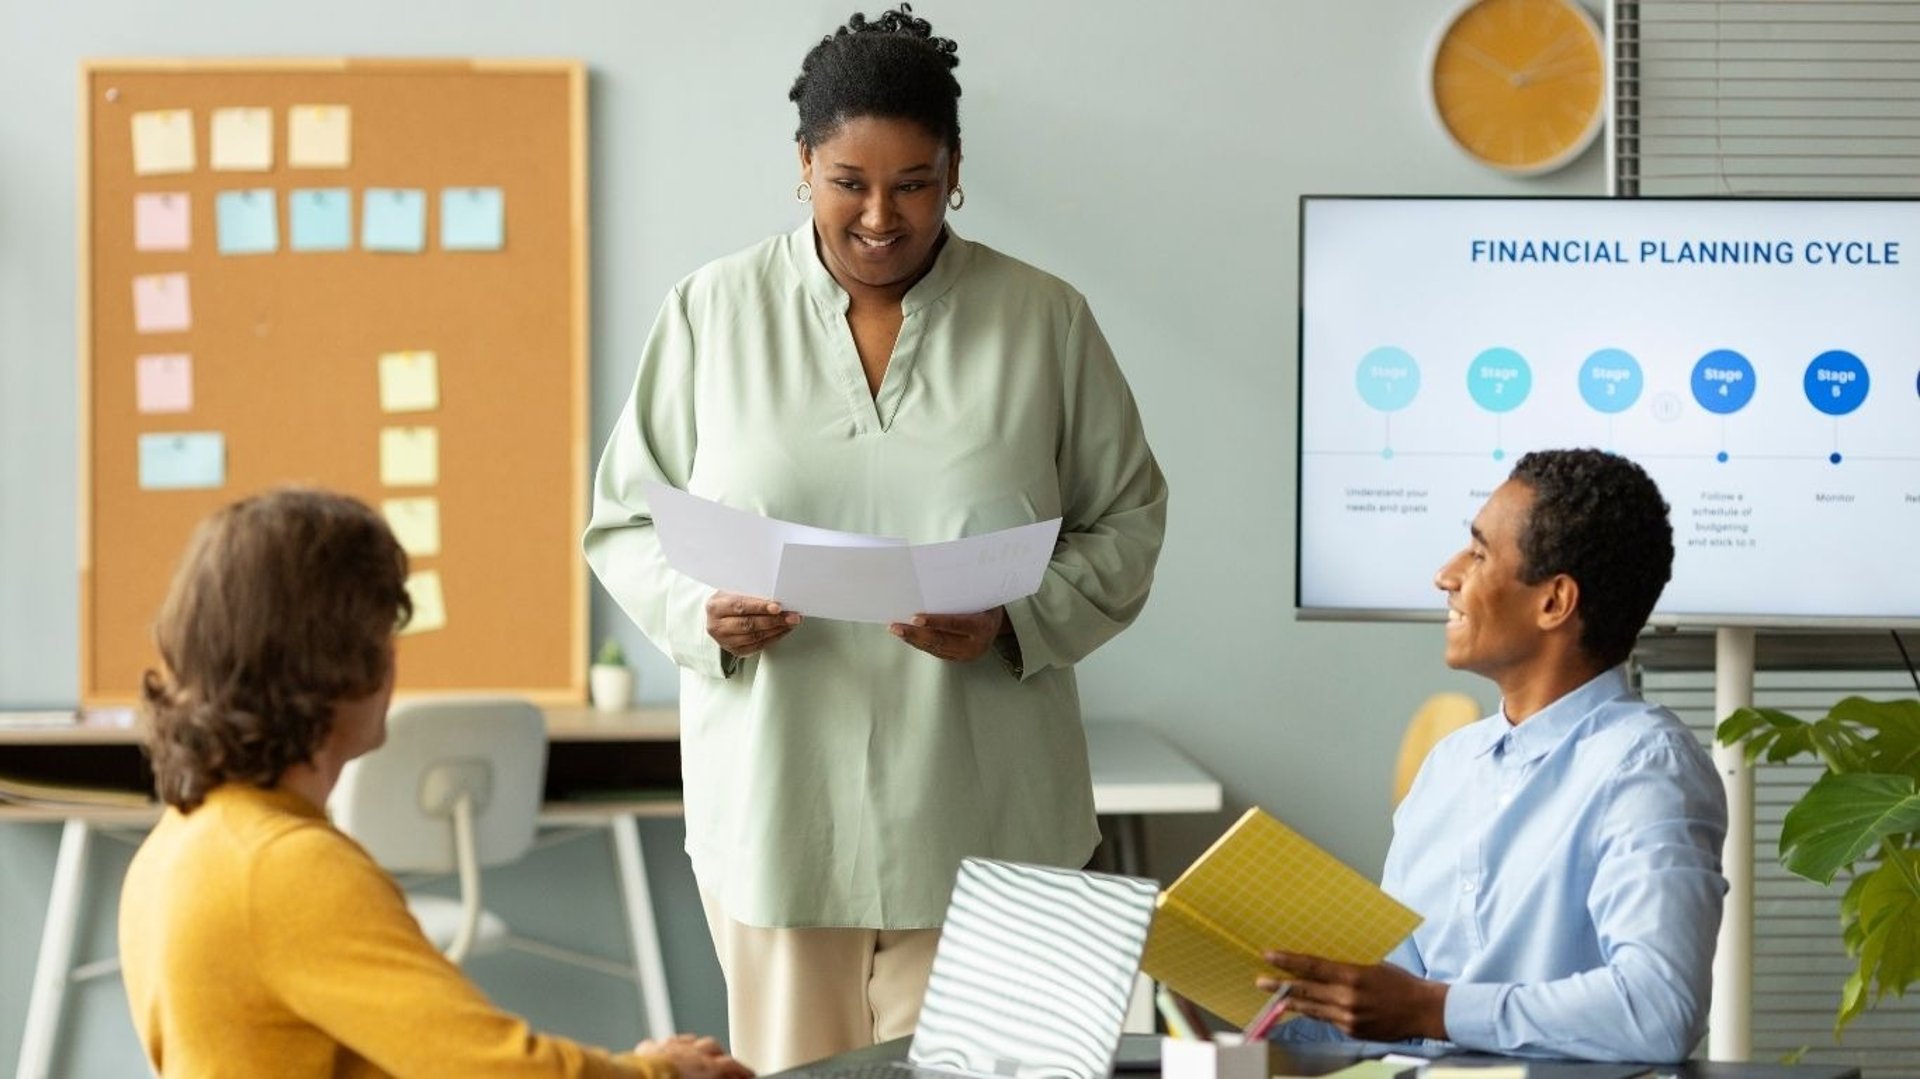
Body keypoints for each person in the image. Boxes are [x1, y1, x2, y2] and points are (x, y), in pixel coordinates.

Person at [583, 5, 1167, 1072]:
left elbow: (1127, 516)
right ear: (803, 166)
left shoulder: (1046, 321)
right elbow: (624, 519)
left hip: (994, 819)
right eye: (850, 179)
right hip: (778, 817)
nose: (881, 215)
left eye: (913, 180)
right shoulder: (709, 313)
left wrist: (1014, 619)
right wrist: (699, 613)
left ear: (955, 170)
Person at [120, 488, 753, 1079]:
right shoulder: (286, 870)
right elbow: (494, 1070)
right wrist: (660, 1072)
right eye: (382, 633)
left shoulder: (179, 843)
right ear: (337, 658)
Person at [1261, 449, 1727, 1063]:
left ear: (1554, 602)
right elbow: (1385, 999)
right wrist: (1248, 1012)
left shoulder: (1646, 767)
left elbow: (1659, 1006)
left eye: (1478, 554)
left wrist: (1433, 1009)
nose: (1446, 575)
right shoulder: (1451, 765)